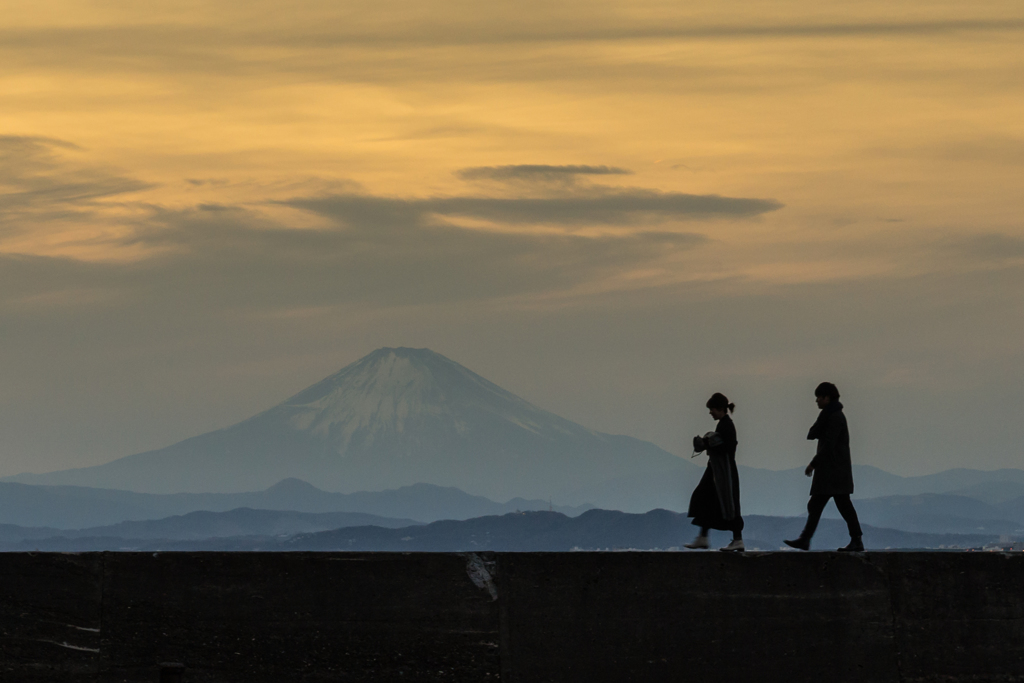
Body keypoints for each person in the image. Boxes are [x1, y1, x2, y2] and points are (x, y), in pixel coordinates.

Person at [785, 382, 864, 552]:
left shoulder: (834, 417)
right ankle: (807, 539)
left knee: (832, 505)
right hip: (833, 472)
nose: (816, 401)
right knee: (829, 505)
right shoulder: (830, 416)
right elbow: (816, 435)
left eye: (818, 398)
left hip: (833, 472)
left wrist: (813, 463)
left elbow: (828, 445)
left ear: (826, 398)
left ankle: (807, 539)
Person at [685, 393, 744, 552]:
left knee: (727, 504)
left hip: (723, 472)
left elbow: (728, 447)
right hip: (717, 470)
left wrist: (708, 443)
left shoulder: (726, 425)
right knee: (707, 499)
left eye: (711, 409)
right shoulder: (724, 424)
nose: (710, 412)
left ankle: (737, 539)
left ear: (719, 409)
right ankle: (703, 537)